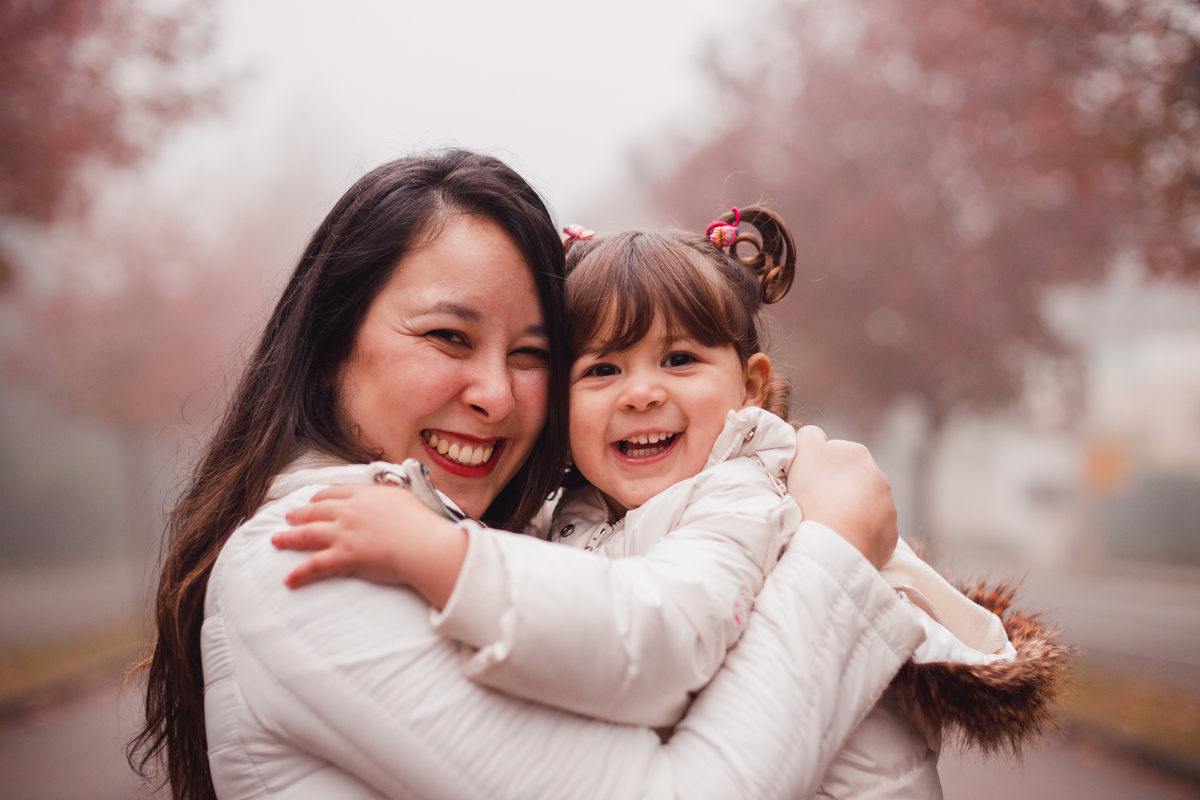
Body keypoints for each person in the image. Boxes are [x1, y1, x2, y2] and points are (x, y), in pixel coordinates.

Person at [130, 149, 924, 800]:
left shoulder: (499, 530)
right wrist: (835, 554)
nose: (498, 395)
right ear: (332, 344)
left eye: (533, 354)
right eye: (447, 336)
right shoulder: (311, 552)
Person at [275, 208, 1070, 798]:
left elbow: (660, 634)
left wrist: (439, 557)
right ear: (558, 403)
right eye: (602, 370)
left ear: (751, 387)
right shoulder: (574, 519)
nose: (643, 392)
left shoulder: (742, 499)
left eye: (681, 358)